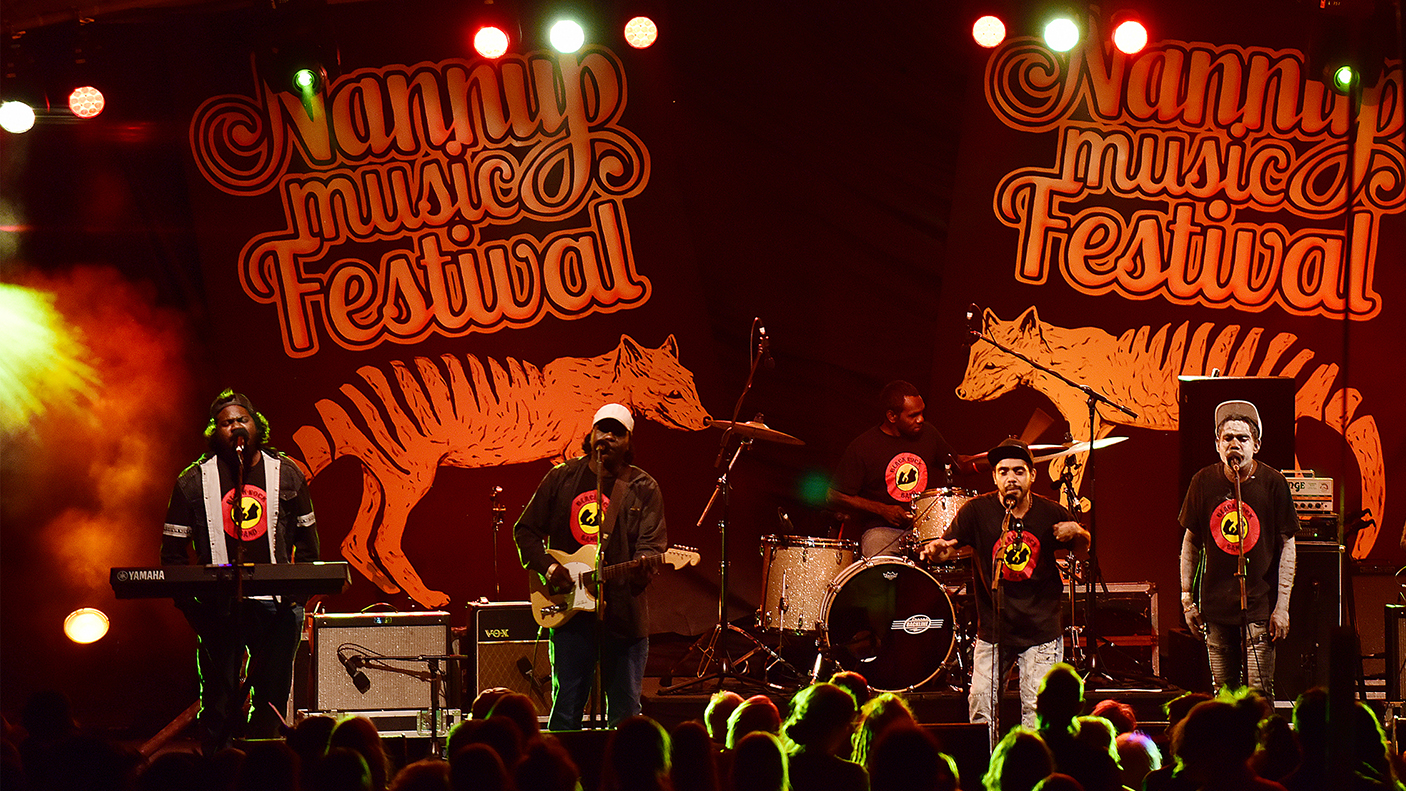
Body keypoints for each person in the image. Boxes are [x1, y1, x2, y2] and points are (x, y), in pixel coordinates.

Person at [160, 389, 320, 755]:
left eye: (241, 419)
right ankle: (219, 769)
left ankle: (264, 768)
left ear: (256, 425)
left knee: (272, 698)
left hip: (277, 609)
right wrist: (191, 607)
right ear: (215, 432)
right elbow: (172, 553)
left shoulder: (288, 473)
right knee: (218, 698)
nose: (234, 427)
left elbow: (309, 546)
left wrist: (296, 601)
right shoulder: (193, 480)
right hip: (218, 608)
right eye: (226, 422)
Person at [513, 403, 667, 730]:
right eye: (602, 429)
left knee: (625, 712)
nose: (607, 437)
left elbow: (652, 546)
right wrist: (550, 568)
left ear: (628, 441)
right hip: (570, 614)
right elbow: (524, 531)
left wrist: (643, 566)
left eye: (617, 432)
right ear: (591, 434)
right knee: (566, 707)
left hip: (624, 617)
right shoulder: (561, 478)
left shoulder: (643, 487)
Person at [921, 439, 1089, 728]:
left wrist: (1079, 531)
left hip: (1041, 630)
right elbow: (948, 548)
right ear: (995, 476)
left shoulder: (1050, 512)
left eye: (1019, 471)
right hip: (994, 628)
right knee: (981, 707)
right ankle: (987, 768)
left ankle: (1034, 769)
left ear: (1032, 476)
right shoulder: (977, 511)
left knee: (1037, 714)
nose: (1011, 478)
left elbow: (1082, 547)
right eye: (1003, 471)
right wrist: (937, 551)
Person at [1178, 400, 1297, 695]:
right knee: (1224, 693)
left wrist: (1282, 606)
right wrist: (1186, 600)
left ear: (1255, 445)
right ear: (1217, 444)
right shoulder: (1202, 482)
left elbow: (1288, 544)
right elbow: (1190, 542)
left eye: (1242, 438)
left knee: (1259, 692)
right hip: (1215, 609)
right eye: (1227, 438)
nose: (1234, 444)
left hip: (1259, 605)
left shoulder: (1273, 482)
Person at [829, 380, 958, 558]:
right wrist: (882, 509)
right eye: (913, 415)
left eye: (922, 412)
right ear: (892, 416)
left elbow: (958, 463)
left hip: (924, 530)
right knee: (879, 561)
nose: (921, 419)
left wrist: (994, 458)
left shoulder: (928, 434)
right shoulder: (864, 446)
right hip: (882, 531)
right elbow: (835, 494)